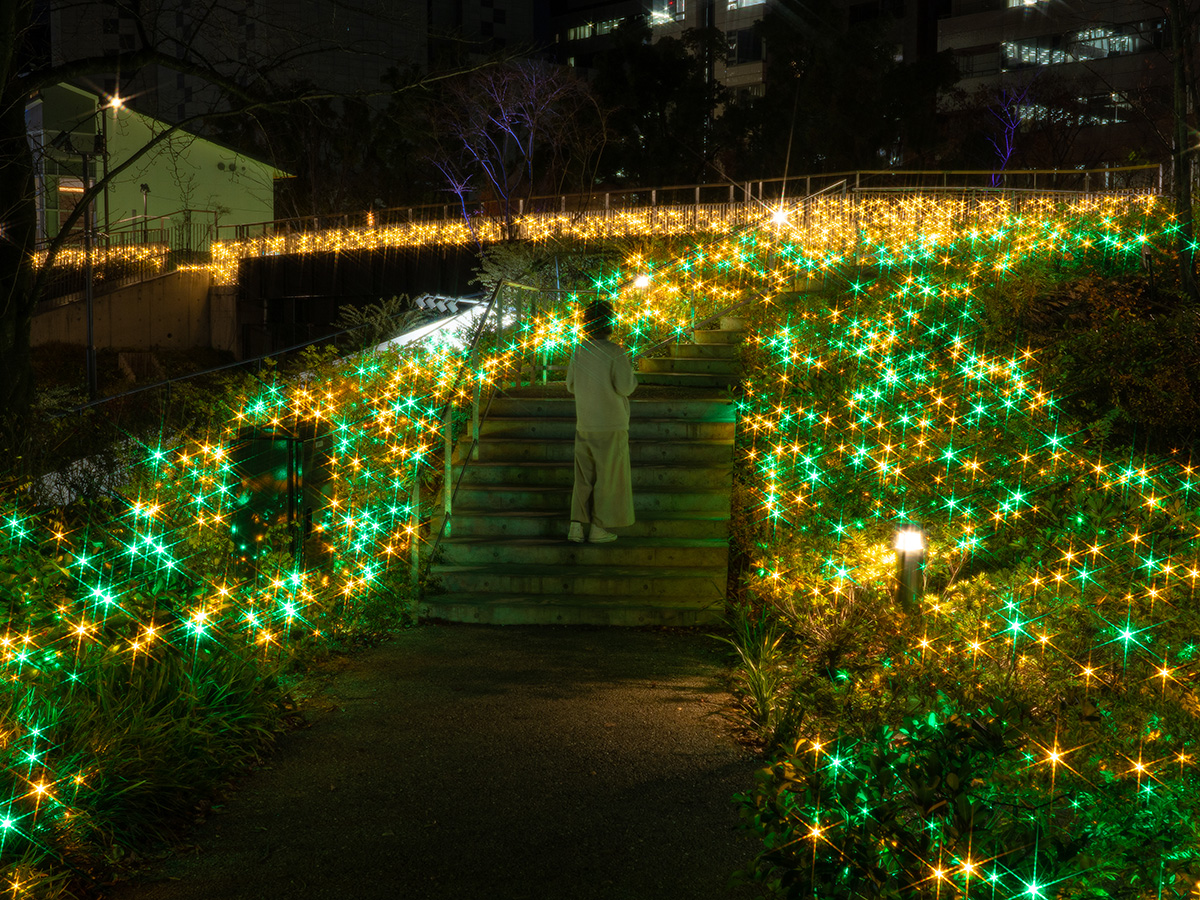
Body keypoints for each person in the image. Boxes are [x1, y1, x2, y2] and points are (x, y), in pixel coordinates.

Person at [565, 302, 638, 543]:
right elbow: (626, 387)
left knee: (583, 476)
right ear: (610, 322)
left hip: (585, 422)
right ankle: (599, 527)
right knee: (608, 477)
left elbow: (570, 385)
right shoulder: (616, 351)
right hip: (611, 424)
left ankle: (576, 527)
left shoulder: (579, 350)